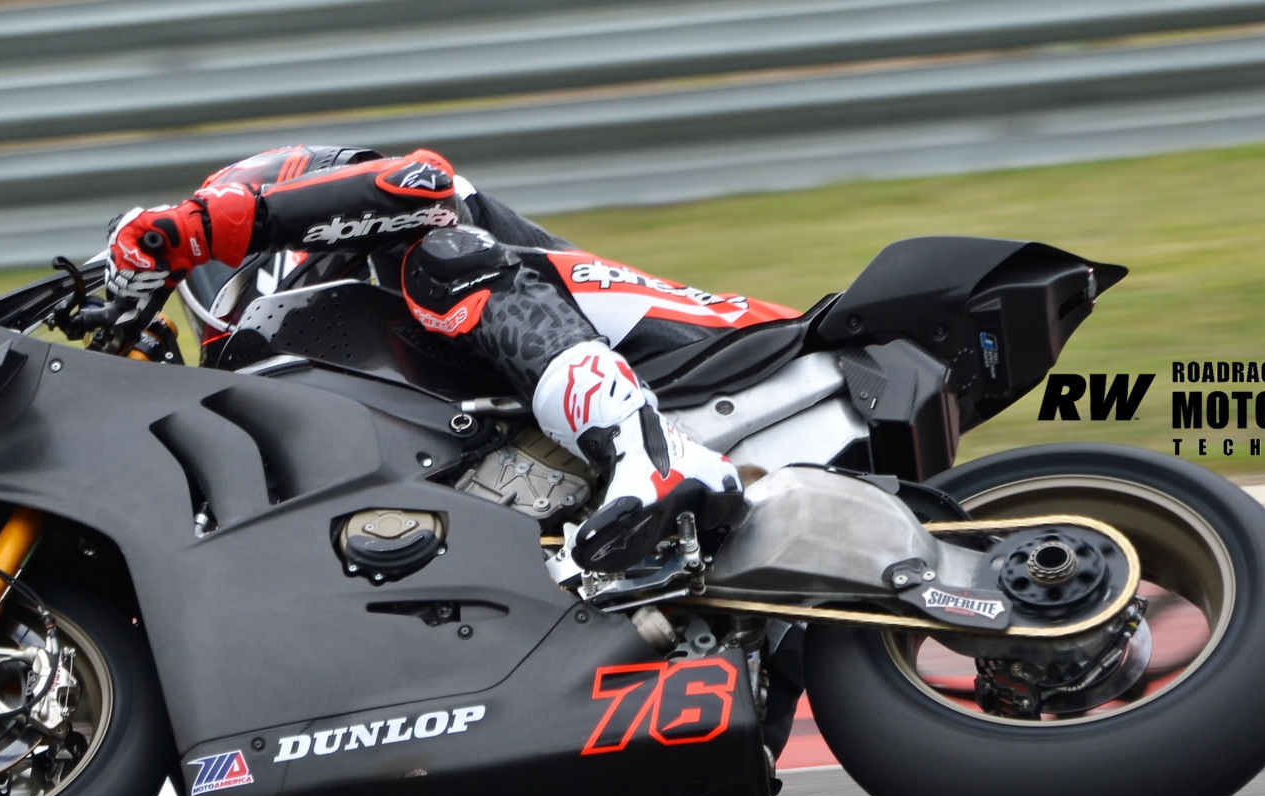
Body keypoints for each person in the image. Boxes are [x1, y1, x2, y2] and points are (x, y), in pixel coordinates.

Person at [105, 145, 800, 573]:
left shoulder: (412, 228)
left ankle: (650, 453)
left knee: (438, 259)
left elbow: (421, 179)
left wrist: (201, 226)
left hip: (734, 354)